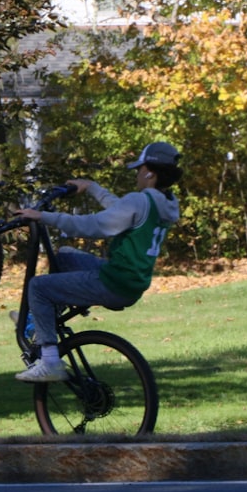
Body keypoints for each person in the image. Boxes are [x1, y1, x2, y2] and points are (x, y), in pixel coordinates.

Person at [12, 141, 183, 383]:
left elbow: (95, 225)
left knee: (38, 287)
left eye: (138, 170)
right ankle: (37, 324)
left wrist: (43, 217)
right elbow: (120, 210)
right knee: (65, 258)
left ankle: (50, 360)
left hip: (113, 282)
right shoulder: (164, 204)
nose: (136, 175)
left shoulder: (141, 200)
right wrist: (92, 188)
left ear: (149, 172)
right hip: (130, 281)